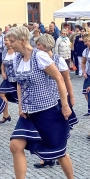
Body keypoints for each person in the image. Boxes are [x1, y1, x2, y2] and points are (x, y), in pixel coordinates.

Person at [1, 26, 78, 179]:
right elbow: (19, 84)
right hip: (28, 113)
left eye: (11, 41)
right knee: (15, 145)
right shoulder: (18, 59)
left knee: (59, 151)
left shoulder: (40, 56)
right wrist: (20, 105)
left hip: (48, 110)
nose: (8, 44)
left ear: (22, 40)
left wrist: (65, 104)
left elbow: (59, 78)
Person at [33, 34, 78, 168]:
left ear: (46, 46)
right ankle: (47, 157)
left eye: (39, 45)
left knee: (59, 130)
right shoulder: (36, 59)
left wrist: (71, 96)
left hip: (59, 98)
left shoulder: (58, 60)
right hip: (44, 99)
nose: (37, 47)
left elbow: (66, 79)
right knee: (45, 130)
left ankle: (60, 154)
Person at [0, 36, 18, 123]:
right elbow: (3, 63)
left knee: (21, 98)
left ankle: (27, 115)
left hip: (17, 78)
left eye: (6, 40)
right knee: (0, 93)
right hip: (8, 78)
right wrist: (3, 72)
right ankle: (6, 115)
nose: (5, 42)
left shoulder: (17, 50)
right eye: (4, 40)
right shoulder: (5, 50)